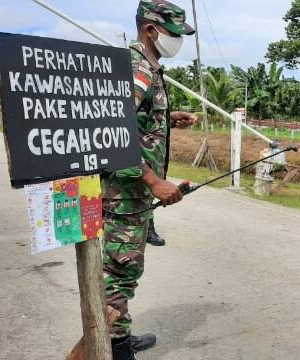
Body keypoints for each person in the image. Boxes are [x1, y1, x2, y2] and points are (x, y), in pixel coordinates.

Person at [101, 1, 197, 358]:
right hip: (124, 193)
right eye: (173, 34)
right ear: (150, 30)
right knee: (119, 270)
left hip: (132, 193)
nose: (178, 41)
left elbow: (135, 119)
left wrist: (169, 117)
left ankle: (118, 336)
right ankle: (115, 347)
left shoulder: (149, 68)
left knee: (126, 269)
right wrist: (154, 180)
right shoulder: (137, 67)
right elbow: (113, 129)